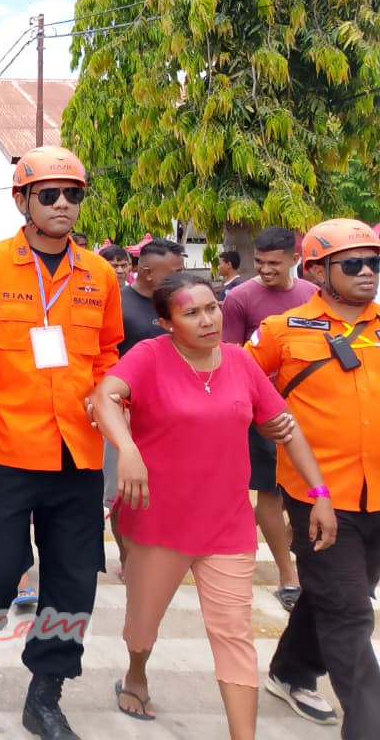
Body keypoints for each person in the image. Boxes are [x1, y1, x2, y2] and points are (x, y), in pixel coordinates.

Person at [91, 271, 334, 736]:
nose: (208, 320)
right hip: (156, 522)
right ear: (166, 323)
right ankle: (136, 672)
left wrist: (319, 493)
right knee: (142, 625)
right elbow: (104, 397)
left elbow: (286, 426)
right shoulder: (150, 356)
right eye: (192, 312)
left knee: (234, 636)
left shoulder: (240, 364)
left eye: (213, 307)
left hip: (227, 527)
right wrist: (129, 451)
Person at [0, 145, 123, 740]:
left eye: (73, 194)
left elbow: (106, 352)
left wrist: (108, 398)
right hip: (4, 452)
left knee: (73, 580)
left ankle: (45, 693)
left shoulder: (99, 275)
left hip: (77, 454)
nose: (63, 205)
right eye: (49, 194)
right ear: (21, 200)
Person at [247, 218, 380, 735]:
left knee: (334, 595)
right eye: (353, 263)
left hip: (378, 497)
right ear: (319, 270)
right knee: (350, 612)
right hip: (319, 498)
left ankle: (291, 670)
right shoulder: (283, 331)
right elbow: (239, 386)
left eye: (374, 262)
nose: (367, 272)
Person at [222, 226, 316, 611]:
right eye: (259, 262)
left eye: (274, 263)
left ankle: (297, 550)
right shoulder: (240, 298)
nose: (265, 270)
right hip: (262, 411)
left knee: (311, 489)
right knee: (269, 491)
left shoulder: (313, 297)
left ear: (295, 260)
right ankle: (287, 575)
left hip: (311, 409)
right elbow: (229, 357)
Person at [104, 238, 186, 573]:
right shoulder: (119, 306)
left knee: (166, 490)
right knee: (123, 493)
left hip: (172, 414)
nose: (181, 279)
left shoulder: (178, 307)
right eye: (174, 273)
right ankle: (127, 557)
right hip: (125, 412)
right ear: (149, 273)